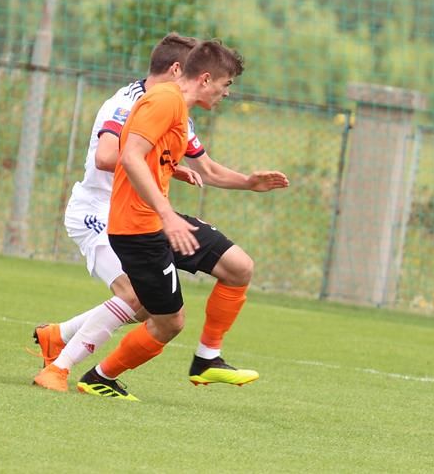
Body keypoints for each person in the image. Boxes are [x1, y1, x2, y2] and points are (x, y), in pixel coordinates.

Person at [32, 35, 288, 396]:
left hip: (148, 211)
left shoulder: (180, 110)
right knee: (138, 300)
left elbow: (206, 169)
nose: (227, 92)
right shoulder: (132, 103)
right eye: (225, 83)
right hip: (102, 211)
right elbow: (110, 156)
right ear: (182, 70)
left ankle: (206, 359)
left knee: (237, 267)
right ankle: (62, 367)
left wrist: (247, 182)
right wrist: (161, 170)